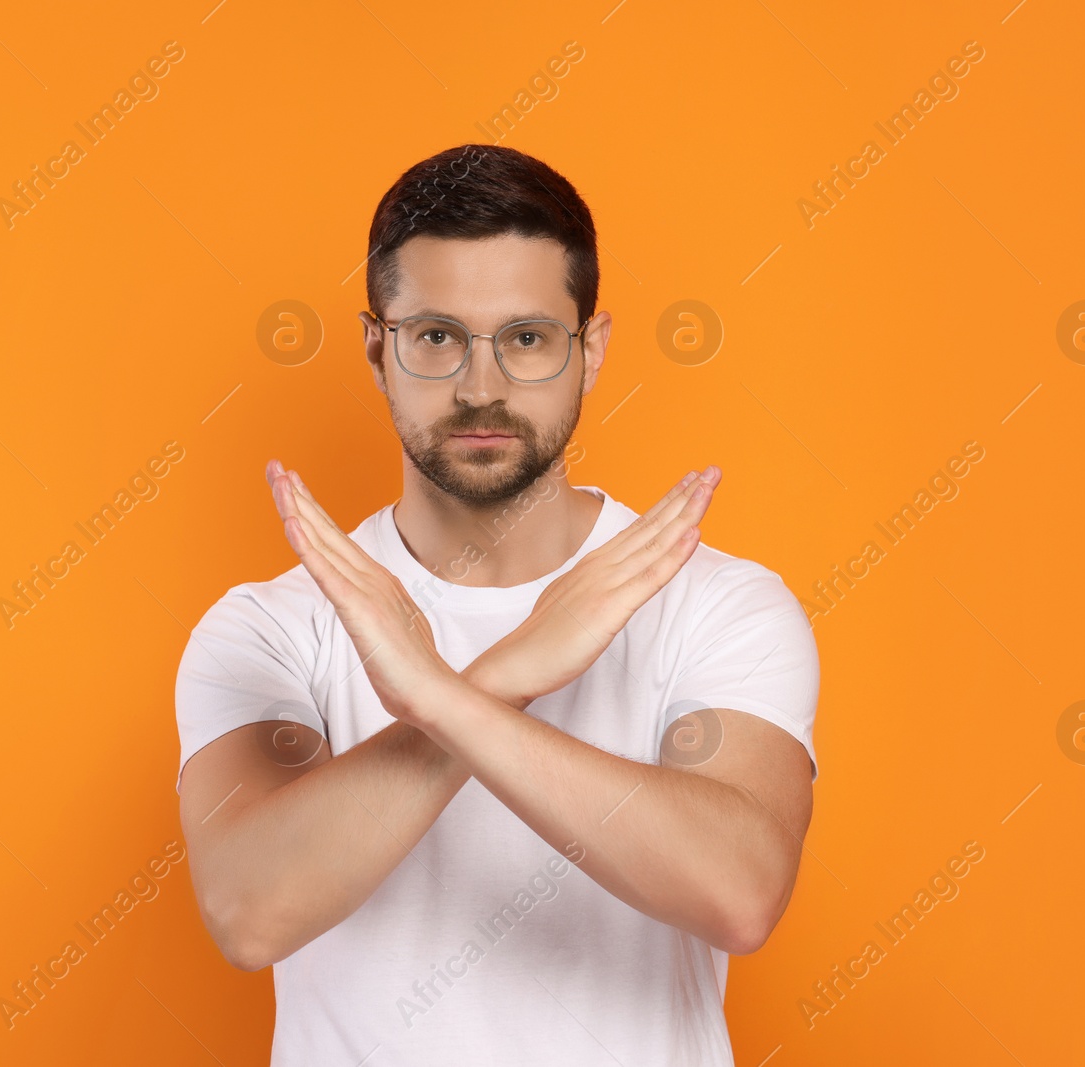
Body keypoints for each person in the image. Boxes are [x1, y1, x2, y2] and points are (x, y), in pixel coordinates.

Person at [174, 143, 820, 1066]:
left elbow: (739, 892)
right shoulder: (268, 629)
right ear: (376, 347)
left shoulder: (720, 605)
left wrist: (439, 694)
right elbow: (250, 910)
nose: (482, 387)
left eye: (527, 337)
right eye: (437, 335)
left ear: (590, 351)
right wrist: (508, 674)